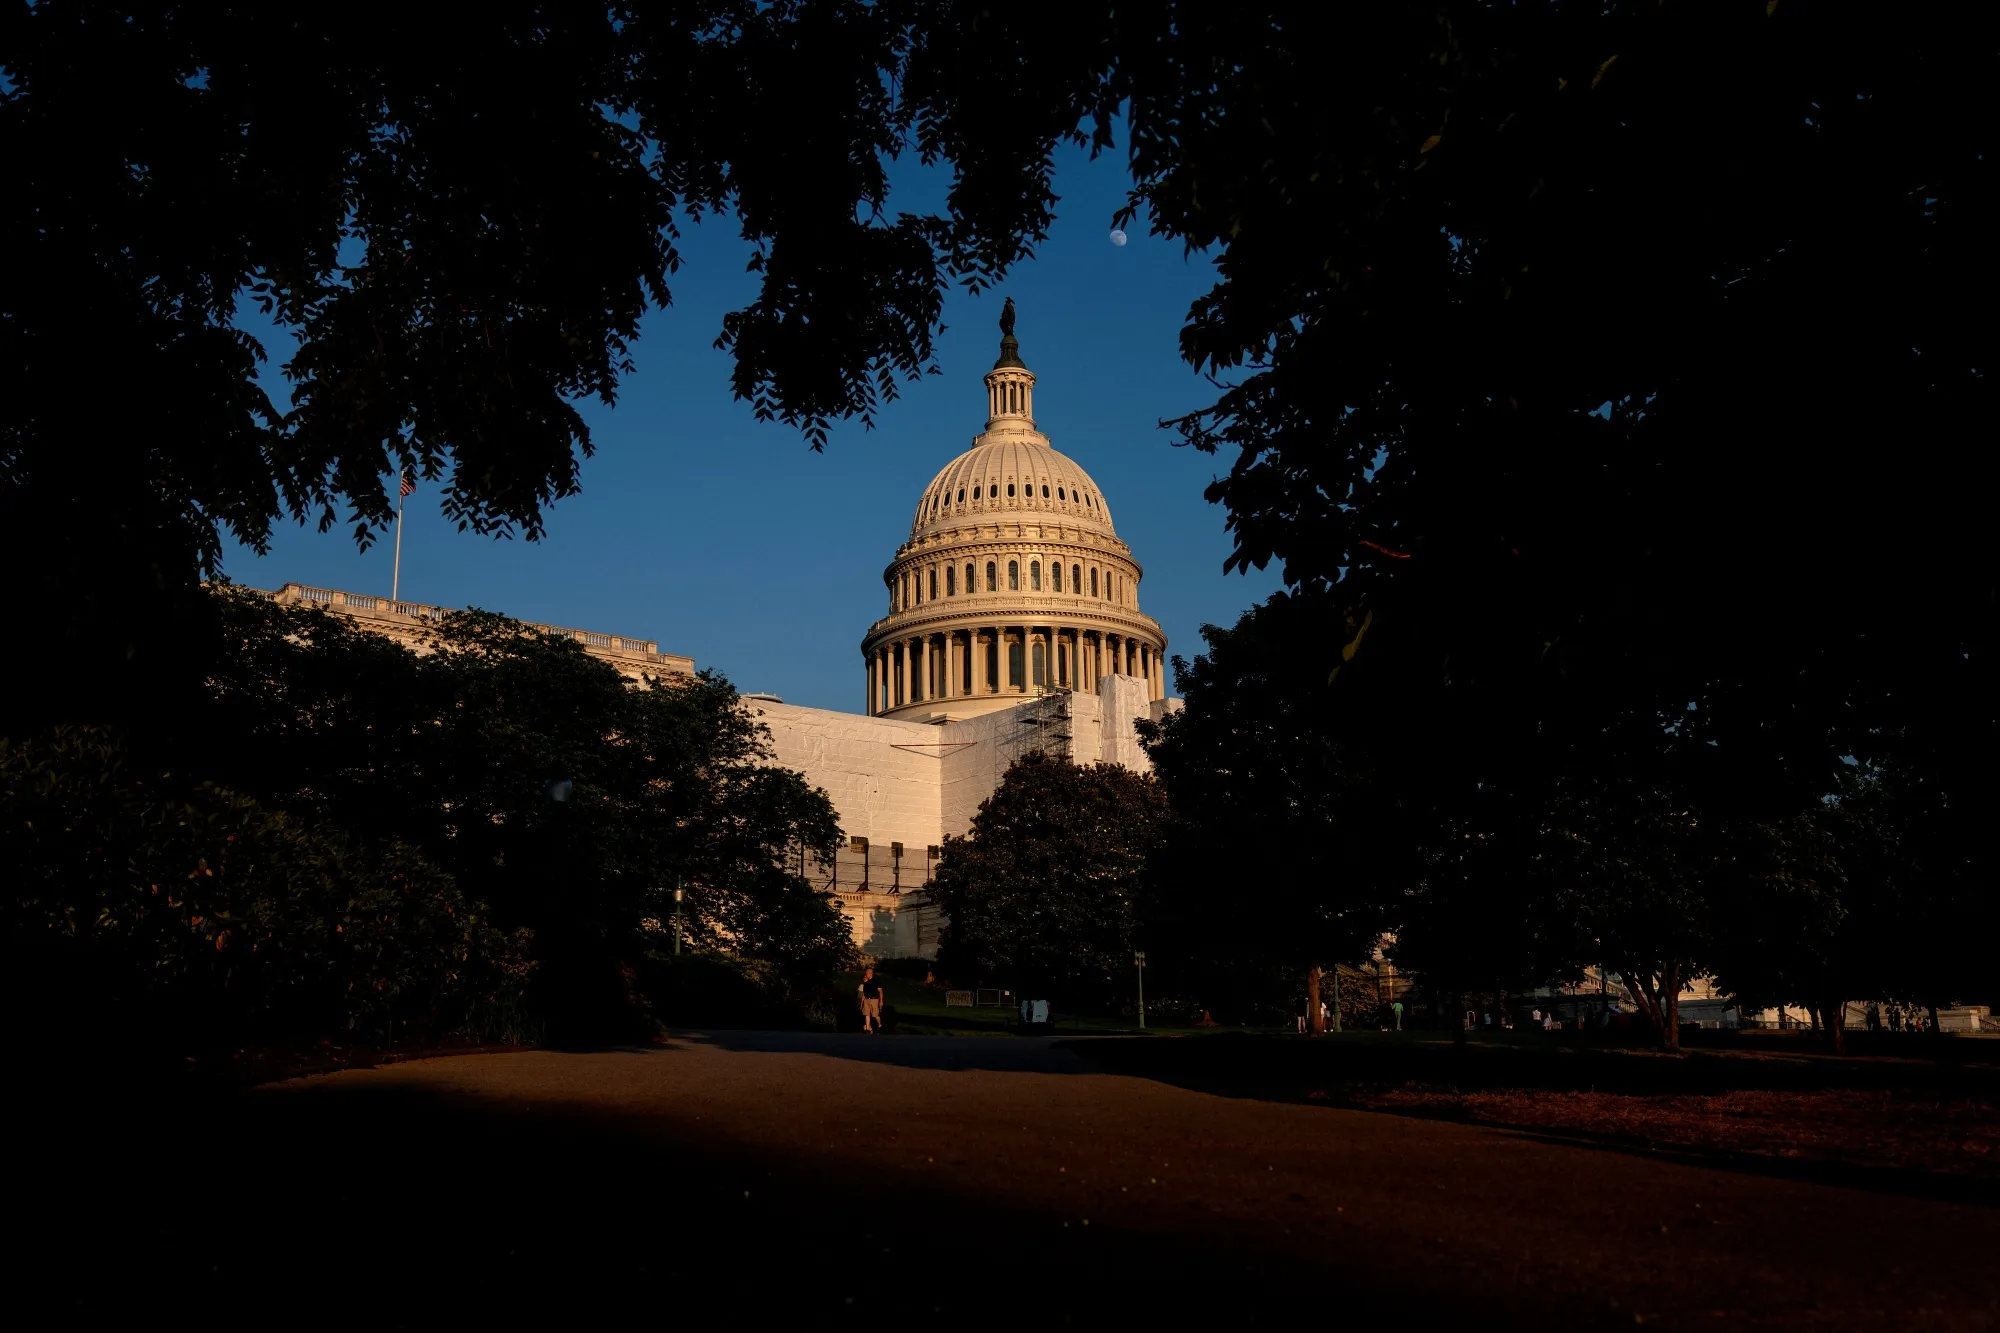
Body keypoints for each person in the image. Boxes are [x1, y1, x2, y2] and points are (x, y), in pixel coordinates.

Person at [857, 967, 885, 1034]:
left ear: (870, 973)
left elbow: (880, 992)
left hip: (874, 999)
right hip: (867, 1000)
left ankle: (879, 1025)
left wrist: (881, 1001)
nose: (866, 975)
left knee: (875, 1015)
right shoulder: (865, 982)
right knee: (867, 1014)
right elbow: (864, 993)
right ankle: (867, 1029)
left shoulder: (876, 981)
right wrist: (862, 1003)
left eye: (866, 973)